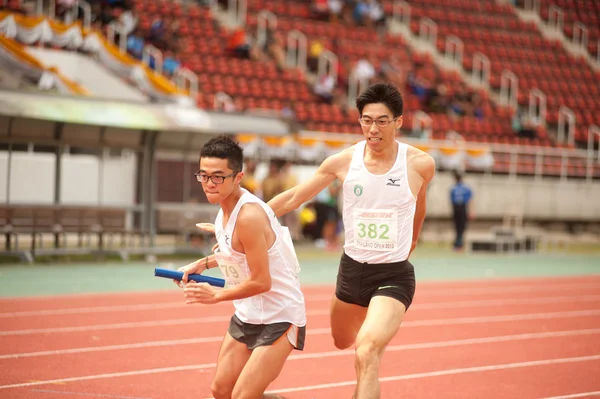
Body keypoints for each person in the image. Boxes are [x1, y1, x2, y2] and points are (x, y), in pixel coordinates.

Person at [267, 82, 436, 398]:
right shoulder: (343, 162)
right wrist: (240, 219)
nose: (373, 129)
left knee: (366, 351)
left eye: (382, 121)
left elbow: (419, 204)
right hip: (351, 272)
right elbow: (293, 198)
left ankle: (373, 344)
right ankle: (372, 337)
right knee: (342, 341)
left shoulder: (420, 164)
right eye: (366, 120)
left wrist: (412, 240)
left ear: (399, 122)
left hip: (393, 275)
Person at [175, 135, 306, 399]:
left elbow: (261, 281)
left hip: (280, 316)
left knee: (243, 396)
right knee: (221, 390)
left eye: (218, 177)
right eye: (204, 175)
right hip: (247, 314)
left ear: (238, 177)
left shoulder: (248, 216)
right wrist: (202, 264)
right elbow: (237, 253)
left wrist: (216, 296)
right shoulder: (223, 211)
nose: (210, 184)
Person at [449, 171, 473, 251]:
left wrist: (470, 211)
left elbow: (469, 200)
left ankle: (459, 244)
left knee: (461, 227)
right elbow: (452, 201)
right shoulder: (455, 188)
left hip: (461, 208)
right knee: (458, 227)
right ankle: (458, 244)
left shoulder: (463, 188)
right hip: (459, 208)